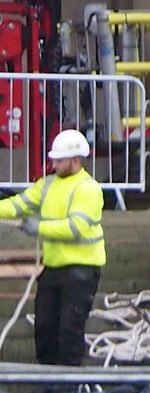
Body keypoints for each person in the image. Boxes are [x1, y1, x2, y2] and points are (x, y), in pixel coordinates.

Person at [0, 128, 105, 366]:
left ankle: (67, 385)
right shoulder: (47, 185)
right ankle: (48, 380)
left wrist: (39, 228)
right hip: (53, 268)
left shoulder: (88, 189)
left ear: (75, 160)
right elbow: (19, 205)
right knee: (45, 327)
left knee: (69, 329)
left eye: (59, 160)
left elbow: (75, 228)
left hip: (82, 268)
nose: (54, 164)